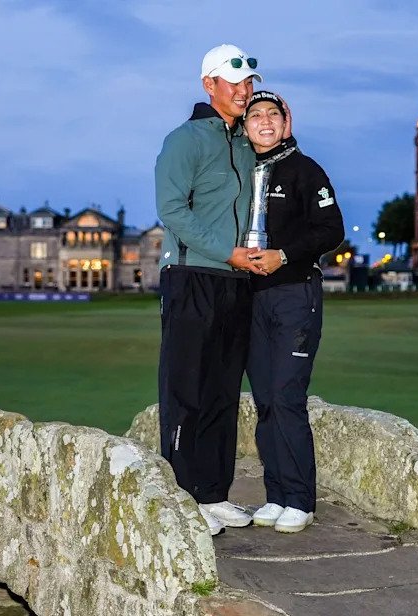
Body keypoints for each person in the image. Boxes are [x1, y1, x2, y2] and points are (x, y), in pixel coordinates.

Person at [154, 44, 268, 536]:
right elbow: (173, 211)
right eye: (234, 83)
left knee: (223, 390)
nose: (244, 91)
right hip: (192, 277)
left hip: (237, 281)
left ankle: (213, 494)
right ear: (210, 85)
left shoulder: (245, 143)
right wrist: (228, 252)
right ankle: (182, 500)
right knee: (187, 390)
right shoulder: (184, 140)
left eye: (248, 84)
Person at [241, 91, 345, 533]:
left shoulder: (306, 170)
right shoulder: (241, 172)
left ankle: (300, 499)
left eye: (272, 114)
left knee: (287, 396)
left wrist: (284, 255)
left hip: (294, 294)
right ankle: (277, 494)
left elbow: (332, 229)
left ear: (286, 121)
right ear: (245, 126)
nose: (264, 121)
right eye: (255, 115)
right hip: (249, 299)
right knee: (264, 400)